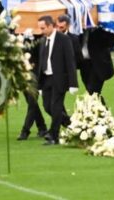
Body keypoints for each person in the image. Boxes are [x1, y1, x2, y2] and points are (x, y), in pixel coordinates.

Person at [37, 15, 78, 145]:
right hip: (46, 78)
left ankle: (53, 135)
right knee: (47, 106)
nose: (41, 31)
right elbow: (41, 61)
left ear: (50, 26)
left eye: (43, 28)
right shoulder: (44, 40)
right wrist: (39, 85)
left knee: (56, 106)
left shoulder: (63, 39)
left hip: (59, 78)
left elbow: (70, 61)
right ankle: (71, 123)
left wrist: (73, 83)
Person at [17, 24, 48, 141]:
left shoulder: (41, 38)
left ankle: (25, 131)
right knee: (31, 102)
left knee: (32, 102)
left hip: (36, 75)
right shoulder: (20, 35)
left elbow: (40, 59)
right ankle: (42, 127)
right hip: (24, 73)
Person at [79, 27, 114, 96]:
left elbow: (111, 42)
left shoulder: (101, 28)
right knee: (93, 93)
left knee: (92, 92)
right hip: (84, 64)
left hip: (99, 64)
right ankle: (102, 107)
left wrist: (98, 28)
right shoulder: (79, 28)